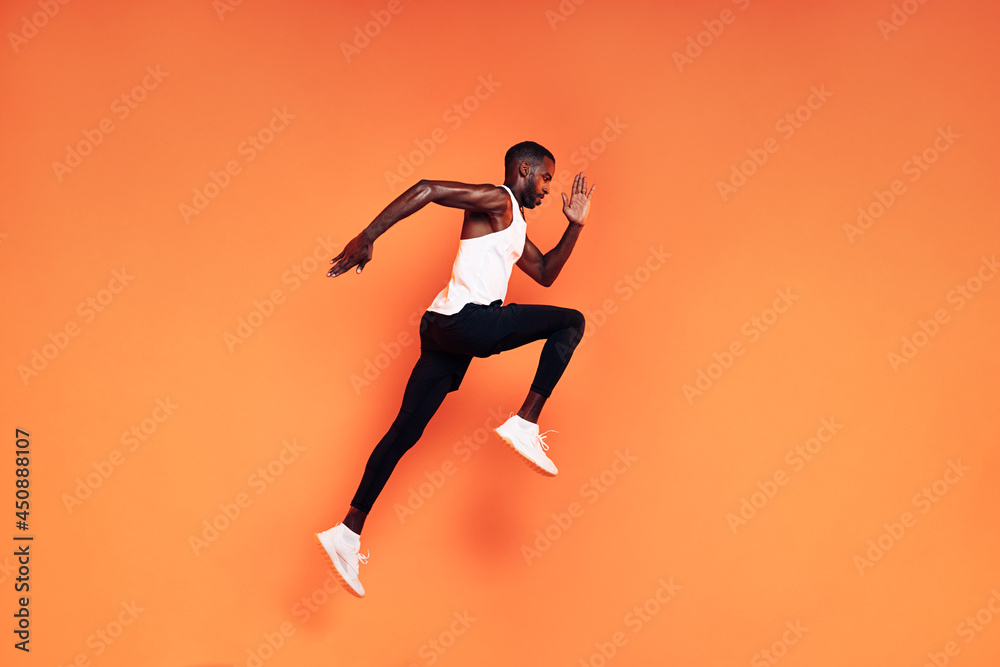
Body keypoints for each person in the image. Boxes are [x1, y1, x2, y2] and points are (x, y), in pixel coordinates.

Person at [316, 140, 595, 597]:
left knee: (405, 432)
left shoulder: (513, 226)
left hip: (443, 329)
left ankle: (346, 532)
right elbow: (427, 188)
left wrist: (576, 226)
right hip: (466, 322)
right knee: (572, 323)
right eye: (545, 177)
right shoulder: (499, 199)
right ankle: (525, 421)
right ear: (524, 170)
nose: (548, 188)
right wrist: (369, 235)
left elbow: (544, 272)